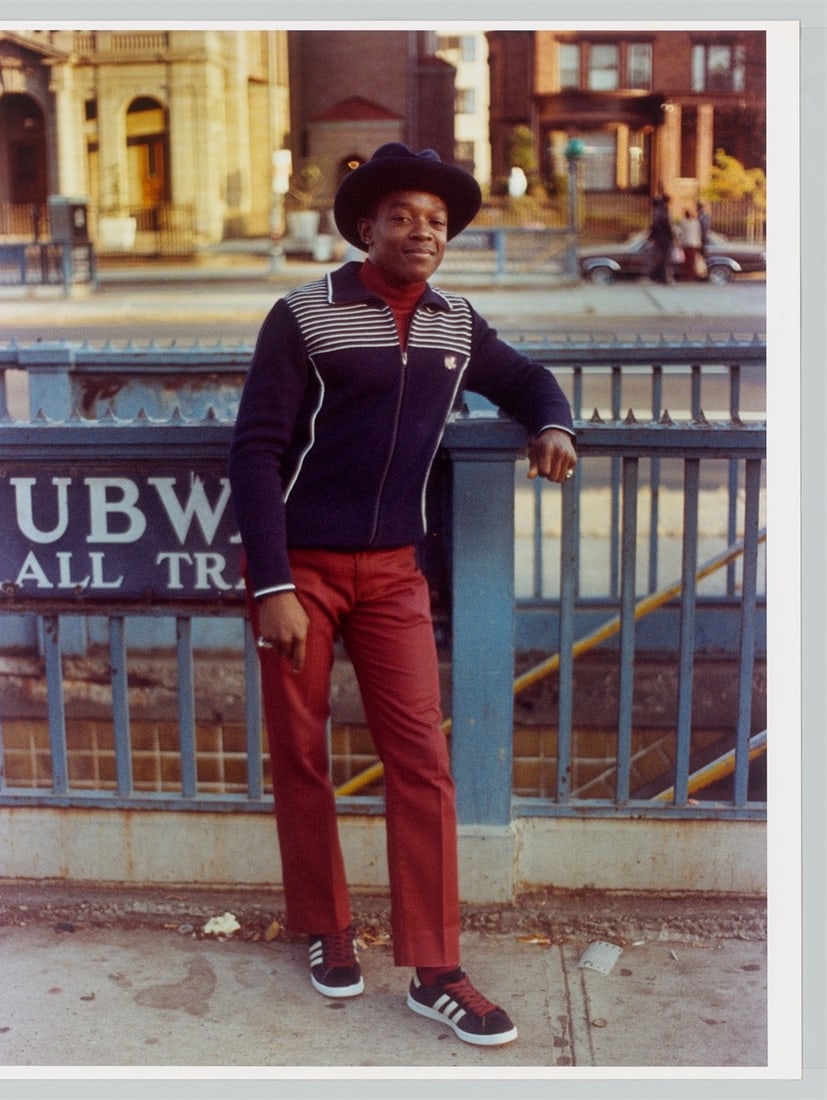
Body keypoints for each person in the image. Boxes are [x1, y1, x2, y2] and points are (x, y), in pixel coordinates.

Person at [228, 142, 577, 1048]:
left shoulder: (456, 323)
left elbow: (525, 379)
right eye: (402, 217)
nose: (422, 231)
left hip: (392, 573)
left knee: (420, 762)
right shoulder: (305, 315)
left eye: (436, 221)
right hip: (297, 567)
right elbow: (256, 450)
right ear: (364, 228)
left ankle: (435, 968)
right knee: (302, 752)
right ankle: (327, 931)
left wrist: (550, 424)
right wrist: (271, 583)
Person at [647, 193, 674, 284]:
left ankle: (657, 276)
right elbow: (667, 226)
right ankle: (660, 277)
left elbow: (654, 226)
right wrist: (672, 237)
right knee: (665, 258)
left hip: (660, 238)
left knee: (661, 258)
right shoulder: (663, 211)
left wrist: (651, 236)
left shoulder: (657, 211)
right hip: (664, 238)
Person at [677, 207, 703, 281]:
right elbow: (699, 233)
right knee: (692, 261)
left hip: (687, 244)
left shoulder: (683, 222)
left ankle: (687, 276)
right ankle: (692, 276)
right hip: (695, 244)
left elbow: (680, 233)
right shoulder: (696, 222)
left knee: (687, 261)